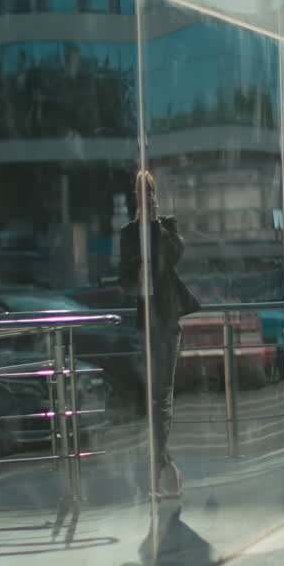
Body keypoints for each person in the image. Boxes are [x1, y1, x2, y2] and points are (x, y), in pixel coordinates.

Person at [118, 170, 200, 499]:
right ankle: (166, 466)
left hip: (166, 319)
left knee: (162, 394)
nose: (146, 198)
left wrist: (155, 226)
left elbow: (175, 256)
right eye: (141, 193)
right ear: (133, 198)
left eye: (150, 192)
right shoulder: (127, 234)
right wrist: (136, 268)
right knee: (151, 395)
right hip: (145, 320)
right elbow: (123, 281)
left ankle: (158, 470)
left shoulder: (168, 227)